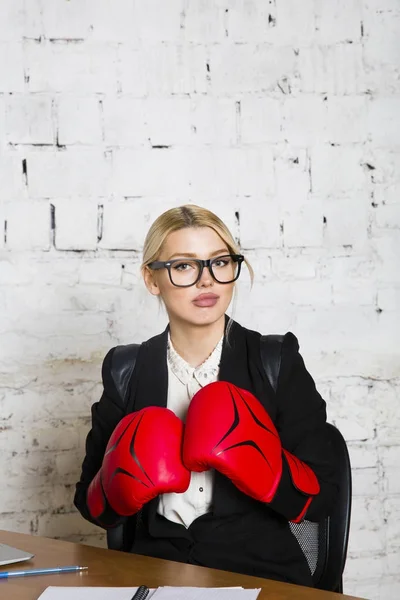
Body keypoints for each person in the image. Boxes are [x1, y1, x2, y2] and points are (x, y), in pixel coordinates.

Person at [74, 204, 338, 587]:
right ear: (152, 279)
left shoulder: (273, 361)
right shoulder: (126, 370)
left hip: (261, 574)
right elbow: (91, 504)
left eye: (219, 263)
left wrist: (261, 465)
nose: (206, 281)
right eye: (184, 266)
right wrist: (123, 479)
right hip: (153, 572)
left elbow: (325, 494)